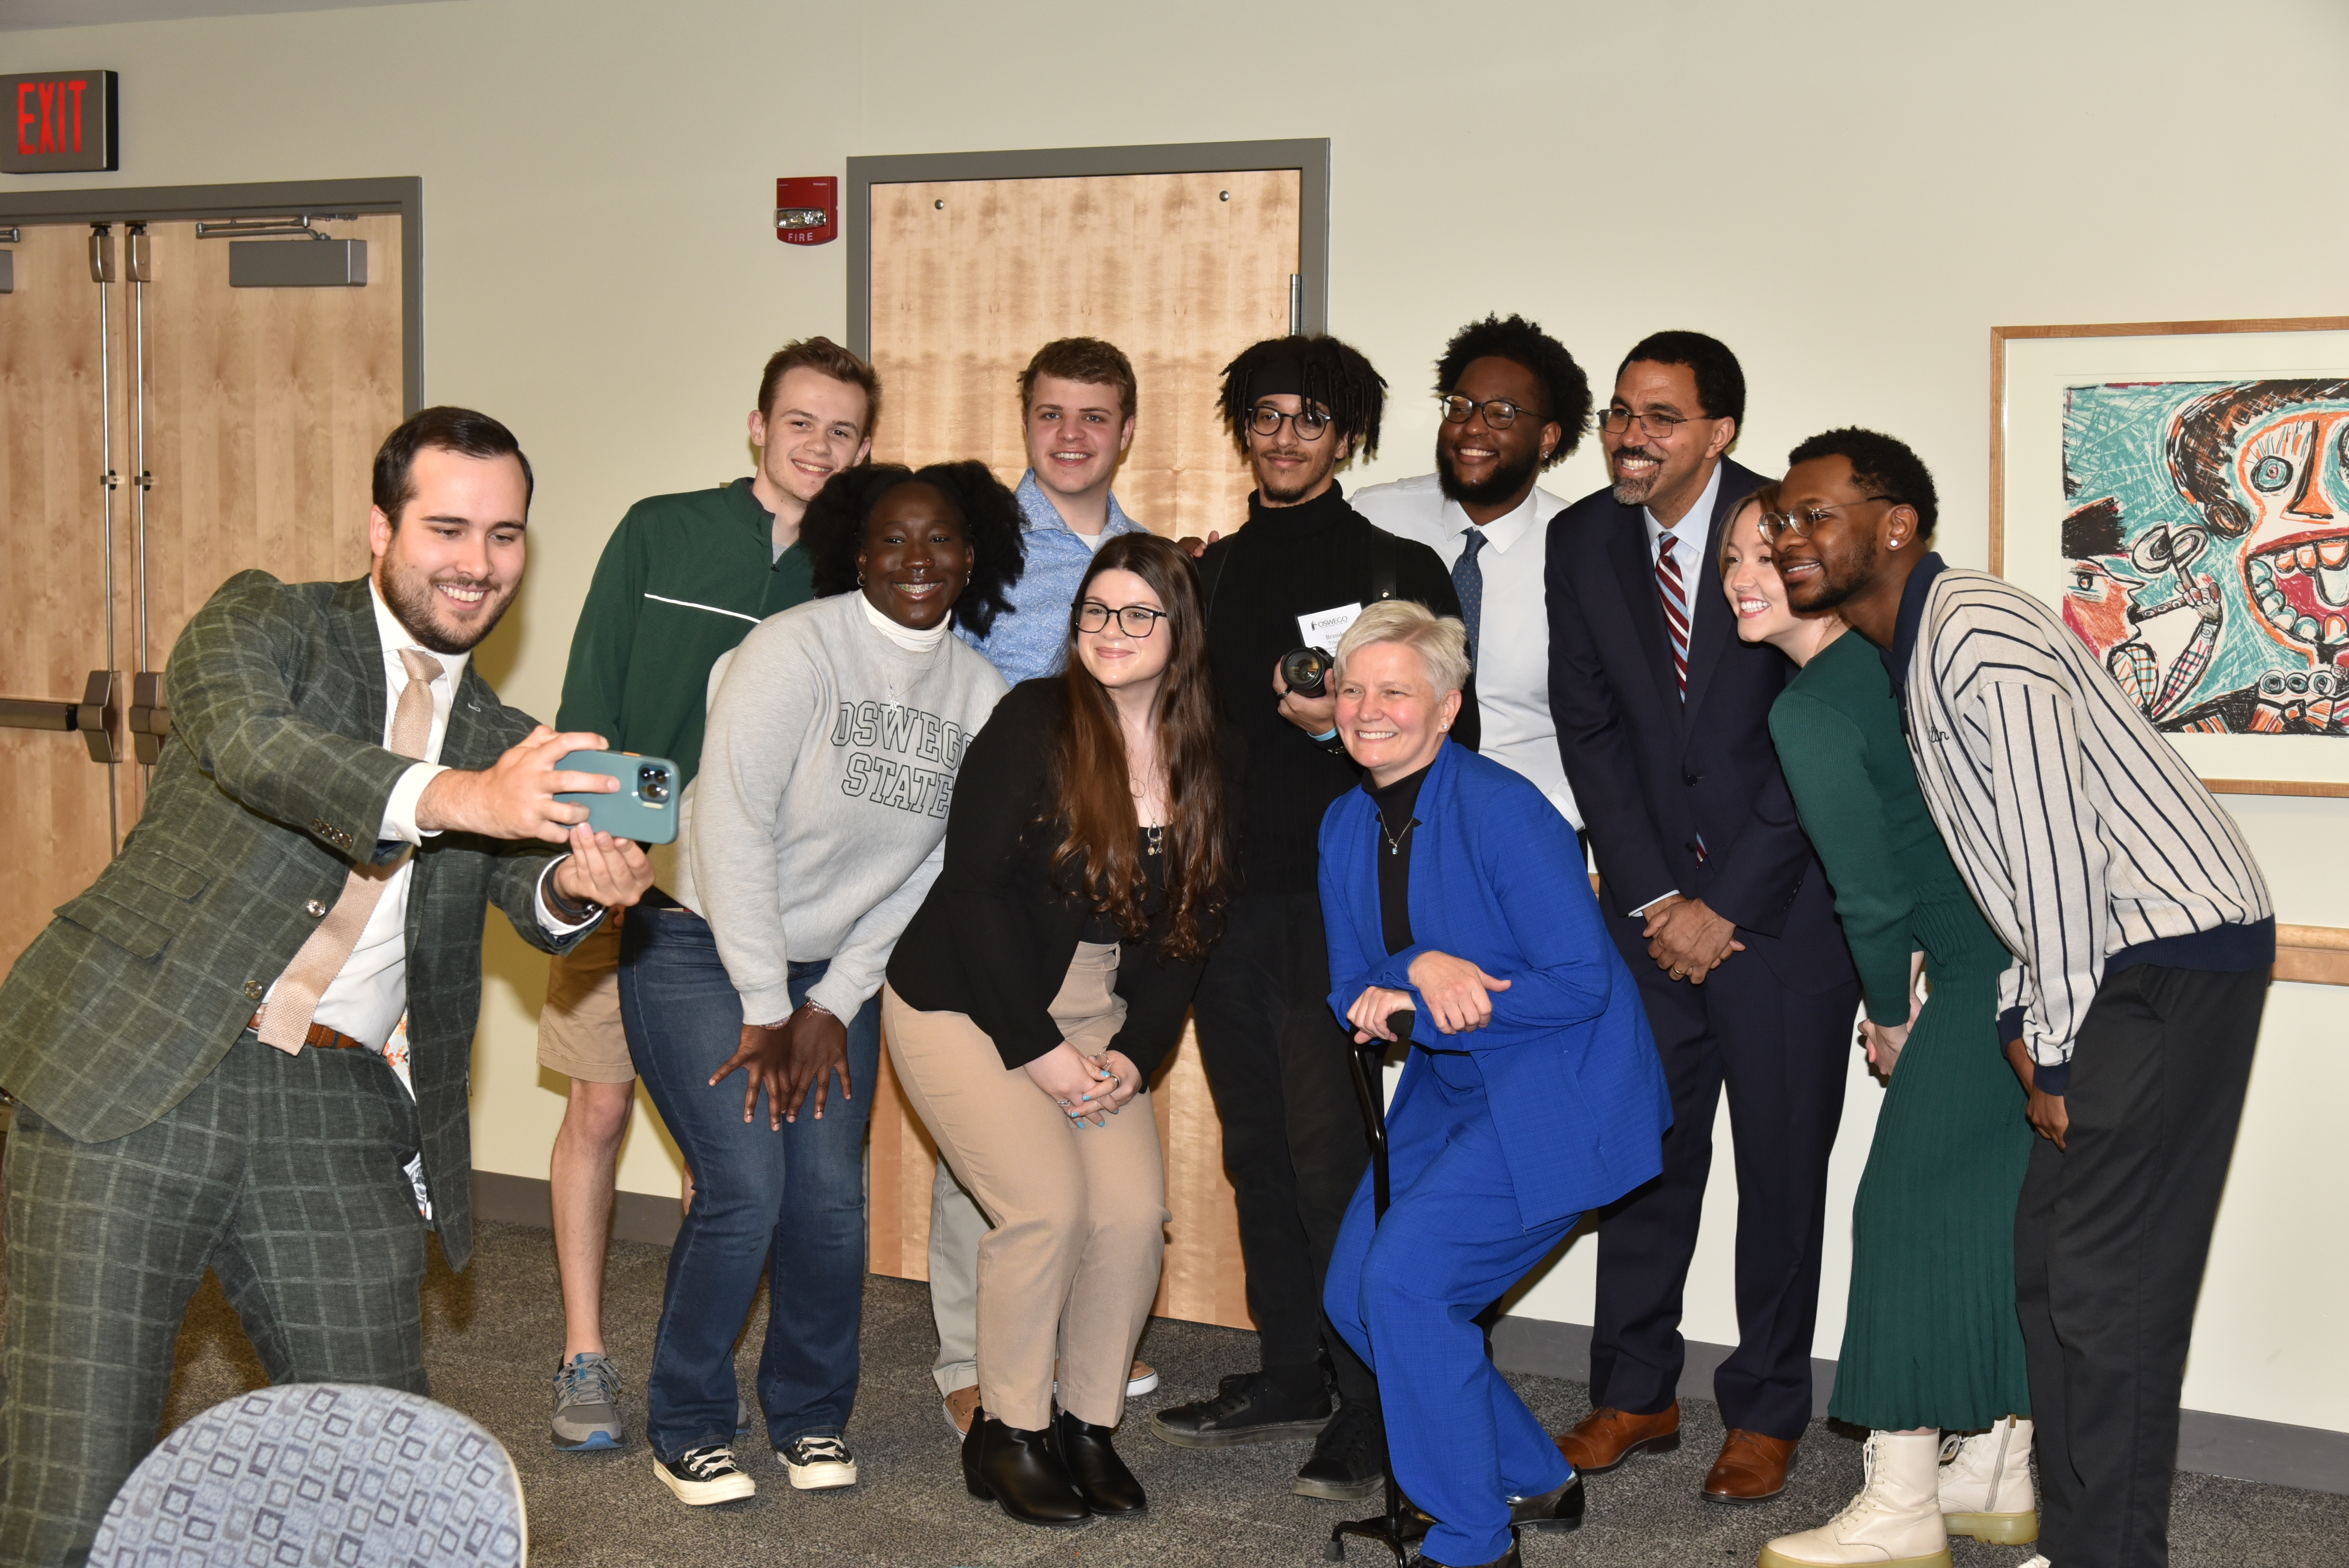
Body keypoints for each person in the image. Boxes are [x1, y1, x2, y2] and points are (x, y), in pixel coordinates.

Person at [0, 407, 656, 1567]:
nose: (477, 563)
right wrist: (462, 799)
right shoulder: (271, 624)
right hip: (138, 1069)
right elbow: (259, 748)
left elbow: (527, 906)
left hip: (334, 1106)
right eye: (448, 528)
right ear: (379, 527)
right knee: (72, 1487)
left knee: (381, 1481)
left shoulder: (509, 737)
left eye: (505, 537)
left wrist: (579, 886)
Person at [1771, 426, 2275, 1568]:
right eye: (1782, 522)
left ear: (1895, 527)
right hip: (2108, 956)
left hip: (2169, 954)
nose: (1789, 538)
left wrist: (2051, 1049)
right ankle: (2079, 1535)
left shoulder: (1974, 632)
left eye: (1816, 516)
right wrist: (2016, 1011)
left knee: (2110, 1289)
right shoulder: (1913, 653)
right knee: (2049, 1269)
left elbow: (2055, 853)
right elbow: (2007, 866)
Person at [619, 461, 1018, 1507]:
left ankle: (807, 1416)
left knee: (833, 1202)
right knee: (747, 1189)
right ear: (856, 553)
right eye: (892, 541)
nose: (917, 561)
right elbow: (731, 825)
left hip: (837, 969)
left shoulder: (983, 694)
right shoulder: (791, 647)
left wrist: (833, 1001)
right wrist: (765, 1007)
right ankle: (692, 1422)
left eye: (939, 542)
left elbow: (935, 868)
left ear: (971, 559)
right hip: (703, 945)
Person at [1151, 333, 1475, 1504]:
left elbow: (1454, 741)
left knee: (1336, 1159)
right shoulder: (1212, 576)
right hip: (1230, 905)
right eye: (1269, 417)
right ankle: (1290, 1369)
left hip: (1347, 909)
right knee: (1255, 1153)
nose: (1287, 438)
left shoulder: (1399, 569)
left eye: (1311, 420)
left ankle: (1374, 1405)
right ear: (1246, 429)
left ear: (1348, 437)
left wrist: (1338, 726)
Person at [540, 335, 879, 1451]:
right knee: (597, 1108)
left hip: (757, 910)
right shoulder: (660, 528)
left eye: (842, 431)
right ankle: (584, 1355)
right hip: (622, 878)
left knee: (725, 1160)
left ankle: (706, 1383)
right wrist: (597, 852)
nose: (818, 446)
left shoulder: (859, 574)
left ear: (865, 446)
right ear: (757, 425)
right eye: (800, 423)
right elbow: (592, 689)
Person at [1543, 331, 1859, 1504]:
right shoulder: (1581, 540)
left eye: (1663, 417)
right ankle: (1635, 1392)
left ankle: (1768, 1408)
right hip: (1648, 918)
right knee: (1642, 1159)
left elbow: (1826, 719)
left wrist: (1725, 903)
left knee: (1781, 1175)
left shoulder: (1788, 529)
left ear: (1720, 431)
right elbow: (1593, 732)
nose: (1633, 434)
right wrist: (1656, 898)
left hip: (1783, 925)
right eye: (1624, 412)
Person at [885, 533, 1241, 1525]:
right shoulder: (1033, 719)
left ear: (1180, 631)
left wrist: (1134, 1055)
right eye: (1096, 611)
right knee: (1045, 1210)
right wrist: (1038, 1052)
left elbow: (1191, 929)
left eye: (1139, 614)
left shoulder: (1205, 750)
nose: (1112, 632)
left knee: (1130, 1219)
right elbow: (973, 894)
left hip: (1100, 1008)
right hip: (964, 1001)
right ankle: (1010, 1431)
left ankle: (1086, 1426)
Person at [1717, 481, 2039, 1567]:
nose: (1747, 578)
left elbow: (1868, 893)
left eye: (1772, 552)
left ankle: (1902, 1502)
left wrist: (1891, 1014)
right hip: (2017, 957)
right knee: (1989, 1214)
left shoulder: (1811, 704)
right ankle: (1996, 1467)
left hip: (1978, 969)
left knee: (1899, 1212)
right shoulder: (1880, 667)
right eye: (1730, 562)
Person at [1318, 600, 1671, 1568]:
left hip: (1558, 1092)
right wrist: (1418, 965)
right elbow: (1350, 983)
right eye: (1351, 688)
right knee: (1356, 1296)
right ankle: (1530, 1470)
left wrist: (1417, 986)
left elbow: (1578, 984)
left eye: (1394, 690)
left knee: (1407, 1284)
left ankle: (1473, 1541)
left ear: (1446, 706)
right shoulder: (1344, 823)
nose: (1366, 709)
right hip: (1453, 1087)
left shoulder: (1507, 810)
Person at [928, 336, 1158, 1437]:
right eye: (1053, 415)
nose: (1073, 436)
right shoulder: (980, 548)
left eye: (1095, 417)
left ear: (1127, 429)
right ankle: (971, 1359)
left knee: (1079, 1148)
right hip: (990, 873)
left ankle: (1073, 1356)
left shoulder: (1146, 562)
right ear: (1027, 421)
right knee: (989, 1129)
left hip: (1098, 888)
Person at [1353, 313, 1591, 827]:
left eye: (1502, 412)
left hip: (1536, 825)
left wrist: (1549, 820)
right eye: (1460, 406)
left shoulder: (1586, 546)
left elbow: (1614, 719)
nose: (1474, 426)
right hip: (1390, 826)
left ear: (1548, 438)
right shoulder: (1373, 518)